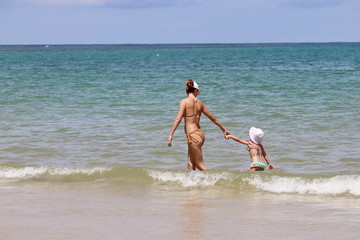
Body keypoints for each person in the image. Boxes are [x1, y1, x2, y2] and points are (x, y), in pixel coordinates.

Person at [167, 79, 230, 171]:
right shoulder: (200, 103)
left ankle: (217, 180)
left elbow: (178, 119)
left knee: (201, 166)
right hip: (199, 135)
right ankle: (191, 184)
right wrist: (224, 129)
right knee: (190, 164)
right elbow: (213, 118)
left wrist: (170, 134)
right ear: (196, 90)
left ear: (186, 91)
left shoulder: (184, 102)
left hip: (192, 136)